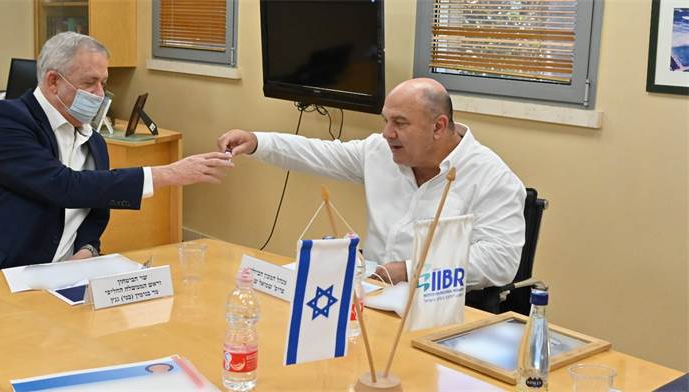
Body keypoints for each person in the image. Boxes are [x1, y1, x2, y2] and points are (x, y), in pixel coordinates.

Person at [0, 32, 233, 277]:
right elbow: (63, 187)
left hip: (62, 280)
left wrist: (87, 250)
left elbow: (96, 209)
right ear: (53, 81)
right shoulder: (3, 121)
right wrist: (166, 174)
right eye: (90, 83)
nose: (100, 95)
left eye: (104, 82)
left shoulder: (93, 141)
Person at [217, 78, 526, 291]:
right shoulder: (381, 152)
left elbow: (500, 261)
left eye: (400, 123)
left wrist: (411, 271)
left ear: (438, 126)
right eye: (385, 121)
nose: (388, 133)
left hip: (441, 306)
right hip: (370, 297)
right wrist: (258, 141)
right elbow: (319, 153)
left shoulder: (492, 178)